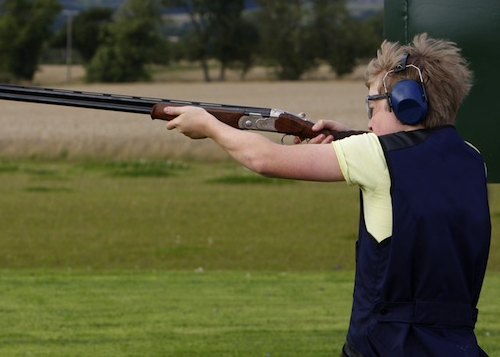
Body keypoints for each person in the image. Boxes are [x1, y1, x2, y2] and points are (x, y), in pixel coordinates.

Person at [163, 33, 491, 357]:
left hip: (383, 345)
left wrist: (207, 125)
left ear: (406, 104)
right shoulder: (472, 158)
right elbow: (414, 156)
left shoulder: (374, 155)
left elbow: (263, 159)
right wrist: (350, 139)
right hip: (456, 345)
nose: (369, 118)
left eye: (372, 104)